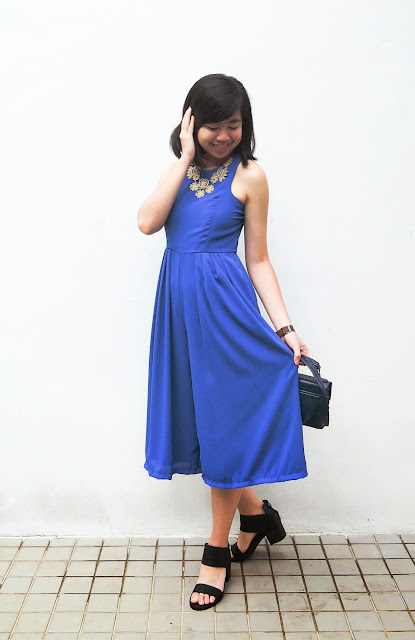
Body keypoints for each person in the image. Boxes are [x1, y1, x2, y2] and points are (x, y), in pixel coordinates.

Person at [137, 73, 311, 611]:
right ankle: (255, 516)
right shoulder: (179, 170)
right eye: (211, 124)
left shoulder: (251, 176)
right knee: (208, 424)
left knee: (227, 426)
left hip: (226, 315)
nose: (223, 135)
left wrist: (285, 328)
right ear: (190, 122)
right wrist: (184, 156)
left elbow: (258, 259)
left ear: (245, 124)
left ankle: (217, 552)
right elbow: (147, 223)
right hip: (179, 314)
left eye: (232, 124)